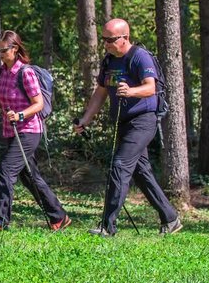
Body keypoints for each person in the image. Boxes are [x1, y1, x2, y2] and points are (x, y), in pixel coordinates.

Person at [73, 18, 182, 236]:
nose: (106, 44)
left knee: (120, 165)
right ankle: (171, 219)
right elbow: (101, 92)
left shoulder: (140, 57)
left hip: (143, 121)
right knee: (141, 173)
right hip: (123, 122)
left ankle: (108, 226)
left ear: (125, 38)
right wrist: (86, 119)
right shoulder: (109, 61)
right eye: (104, 40)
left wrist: (130, 91)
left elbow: (150, 88)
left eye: (111, 40)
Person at [0, 30, 70, 231]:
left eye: (3, 50)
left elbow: (38, 104)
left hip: (29, 130)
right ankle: (59, 217)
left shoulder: (26, 72)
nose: (0, 54)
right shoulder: (2, 72)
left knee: (6, 168)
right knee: (30, 176)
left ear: (15, 49)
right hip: (11, 131)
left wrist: (21, 115)